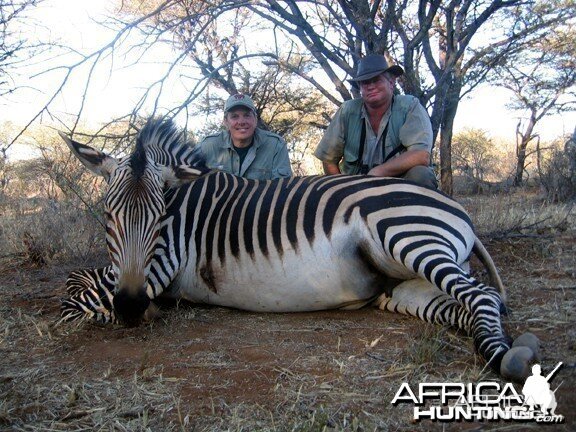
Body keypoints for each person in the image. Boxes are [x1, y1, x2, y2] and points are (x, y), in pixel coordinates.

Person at [314, 54, 437, 188]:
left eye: (376, 80)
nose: (370, 86)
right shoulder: (347, 111)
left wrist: (377, 173)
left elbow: (420, 155)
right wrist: (341, 191)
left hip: (400, 187)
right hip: (357, 189)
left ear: (391, 82)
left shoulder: (409, 106)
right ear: (360, 87)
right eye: (365, 82)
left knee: (421, 174)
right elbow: (328, 159)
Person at [199, 94, 293, 180]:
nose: (241, 122)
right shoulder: (206, 146)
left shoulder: (276, 145)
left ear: (255, 119)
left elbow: (282, 188)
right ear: (226, 122)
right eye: (234, 116)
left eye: (247, 115)